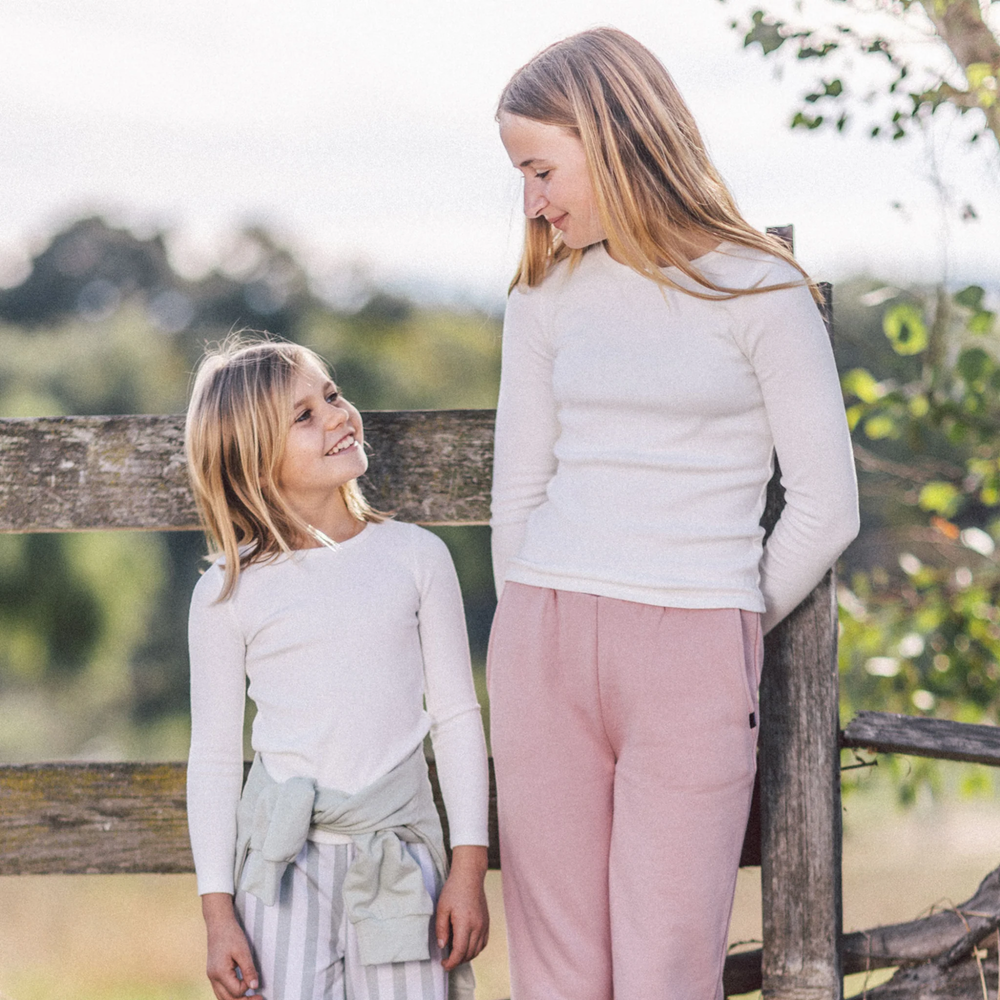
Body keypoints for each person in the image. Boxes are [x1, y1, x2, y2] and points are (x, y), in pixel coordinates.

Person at [488, 27, 860, 1000]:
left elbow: (827, 506)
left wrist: (720, 626)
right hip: (543, 641)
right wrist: (534, 622)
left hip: (695, 651)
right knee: (557, 975)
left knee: (666, 969)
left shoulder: (762, 288)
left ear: (610, 135)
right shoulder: (543, 292)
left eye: (539, 168)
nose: (530, 199)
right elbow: (517, 495)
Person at [184, 336, 489, 1000]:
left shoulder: (416, 557)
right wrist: (217, 913)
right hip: (280, 872)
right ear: (252, 459)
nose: (337, 415)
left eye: (332, 394)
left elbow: (458, 718)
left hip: (398, 864)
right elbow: (210, 754)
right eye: (304, 416)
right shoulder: (225, 592)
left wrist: (468, 866)